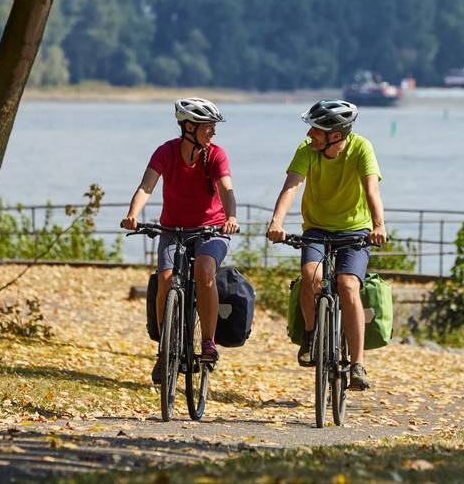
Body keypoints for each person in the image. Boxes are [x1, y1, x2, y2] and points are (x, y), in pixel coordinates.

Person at [266, 99, 387, 391]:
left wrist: (379, 225)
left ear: (336, 134)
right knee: (311, 277)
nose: (310, 134)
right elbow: (291, 187)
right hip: (317, 229)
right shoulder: (307, 150)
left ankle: (357, 364)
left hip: (355, 230)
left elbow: (372, 189)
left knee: (348, 285)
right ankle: (311, 337)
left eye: (316, 130)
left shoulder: (361, 148)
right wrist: (277, 221)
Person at [121, 97, 238, 383]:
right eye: (208, 126)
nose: (213, 131)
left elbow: (226, 189)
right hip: (173, 229)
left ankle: (208, 342)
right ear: (189, 127)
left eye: (213, 126)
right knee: (165, 278)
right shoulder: (166, 151)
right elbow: (146, 186)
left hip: (211, 230)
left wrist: (231, 217)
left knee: (204, 270)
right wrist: (132, 214)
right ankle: (164, 350)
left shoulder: (216, 155)